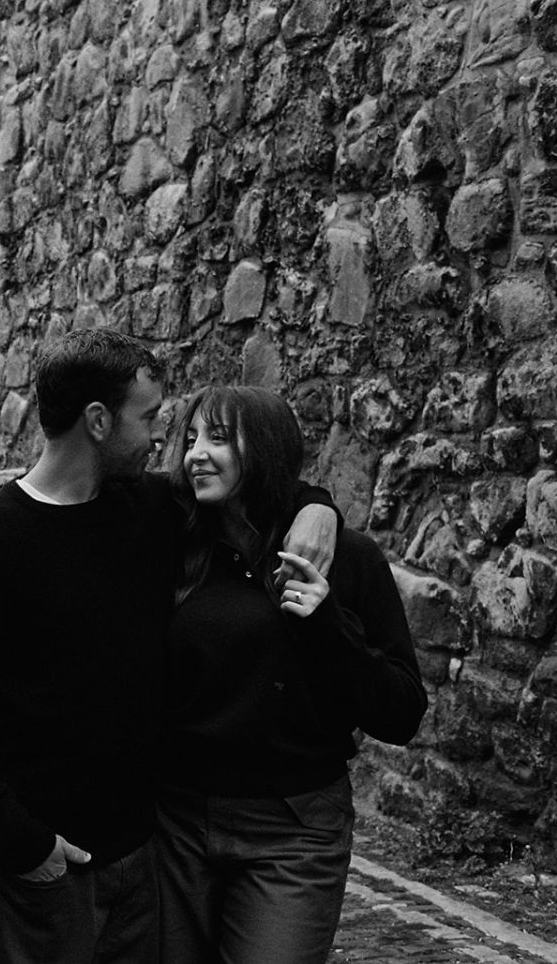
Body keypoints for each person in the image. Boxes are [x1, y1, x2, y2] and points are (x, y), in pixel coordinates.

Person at [0, 330, 339, 964]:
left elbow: (254, 485)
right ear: (98, 421)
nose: (163, 438)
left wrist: (318, 507)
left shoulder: (148, 506)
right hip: (37, 876)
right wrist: (27, 849)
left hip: (141, 870)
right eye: (149, 418)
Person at [155, 386, 427, 964]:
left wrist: (326, 622)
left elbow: (401, 713)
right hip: (174, 823)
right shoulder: (171, 546)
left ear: (268, 449)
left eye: (219, 439)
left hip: (293, 829)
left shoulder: (346, 559)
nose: (195, 453)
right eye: (192, 438)